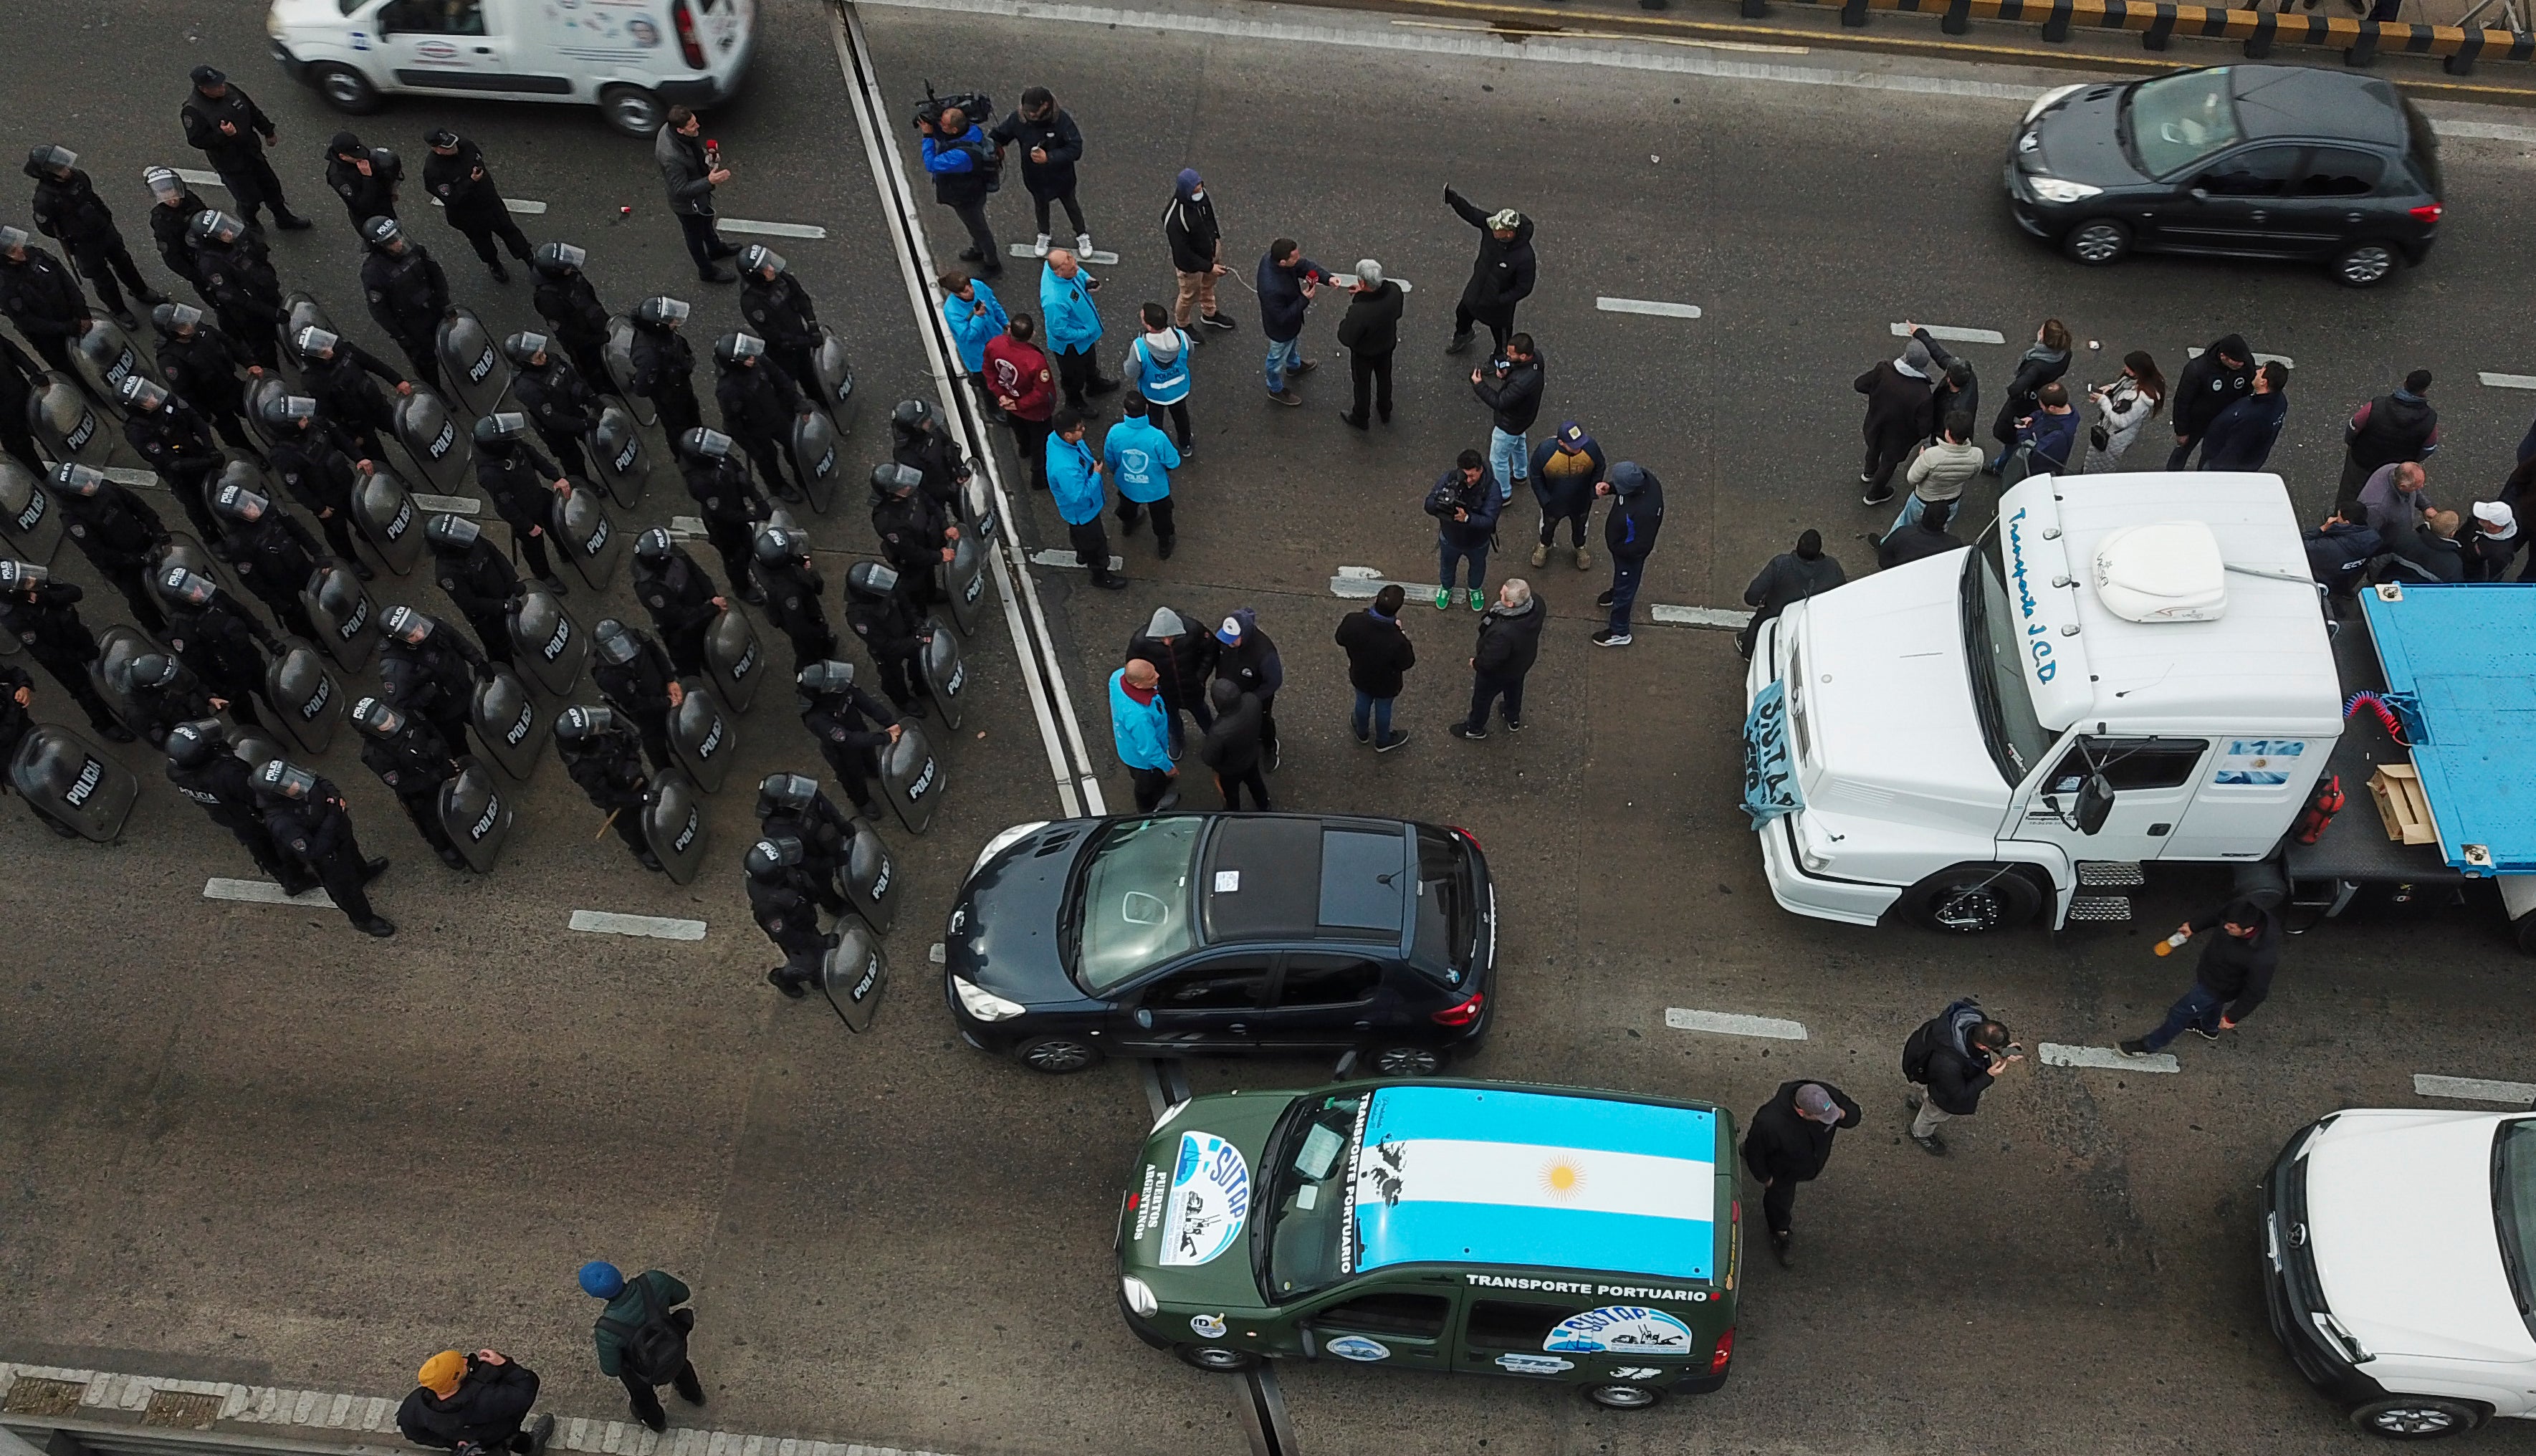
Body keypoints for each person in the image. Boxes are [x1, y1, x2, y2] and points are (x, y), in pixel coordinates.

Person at [165, 719, 314, 894]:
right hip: (249, 816)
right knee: (275, 843)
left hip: (225, 814)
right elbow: (254, 795)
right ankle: (295, 880)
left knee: (259, 846)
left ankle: (282, 874)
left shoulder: (176, 771)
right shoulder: (227, 774)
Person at [256, 759, 396, 937]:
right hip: (329, 857)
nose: (295, 783)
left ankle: (362, 873)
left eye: (291, 777)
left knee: (354, 856)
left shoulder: (298, 783)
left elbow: (319, 780)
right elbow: (313, 851)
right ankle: (363, 920)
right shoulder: (282, 822)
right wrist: (333, 816)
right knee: (346, 891)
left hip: (341, 836)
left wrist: (334, 796)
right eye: (287, 784)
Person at [2121, 901, 2280, 1058]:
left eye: (2232, 927)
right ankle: (2209, 1028)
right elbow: (2218, 915)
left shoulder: (2262, 957)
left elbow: (2257, 991)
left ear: (2249, 929)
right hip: (2212, 972)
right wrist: (2193, 926)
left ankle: (2149, 1045)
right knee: (2213, 1004)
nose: (2225, 927)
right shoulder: (2240, 912)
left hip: (2218, 987)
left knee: (2179, 1013)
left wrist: (2233, 1017)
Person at [25, 145, 162, 328]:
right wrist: (72, 233)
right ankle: (118, 310)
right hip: (84, 244)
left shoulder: (77, 176)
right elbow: (46, 227)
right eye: (59, 168)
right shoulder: (44, 199)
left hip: (104, 230)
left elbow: (92, 197)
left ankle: (140, 291)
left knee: (124, 261)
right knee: (103, 279)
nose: (66, 169)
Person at [0, 560, 135, 740]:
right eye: (25, 581)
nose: (31, 579)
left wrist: (46, 598)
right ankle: (106, 725)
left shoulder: (37, 584)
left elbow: (75, 592)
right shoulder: (14, 619)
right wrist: (80, 656)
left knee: (105, 666)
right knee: (85, 691)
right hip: (60, 656)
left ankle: (126, 697)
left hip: (75, 633)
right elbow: (45, 654)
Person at [1741, 1081, 1862, 1268]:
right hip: (1783, 1172)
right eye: (1823, 1117)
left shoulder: (1820, 1094)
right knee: (1779, 1202)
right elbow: (1755, 1154)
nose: (1831, 1119)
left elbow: (1854, 1113)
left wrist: (1841, 1114)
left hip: (1809, 1162)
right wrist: (1766, 1179)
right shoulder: (1768, 1123)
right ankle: (1780, 1233)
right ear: (1801, 1112)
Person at [578, 1262, 705, 1436]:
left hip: (642, 1372)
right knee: (680, 1365)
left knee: (641, 1394)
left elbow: (611, 1369)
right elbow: (683, 1294)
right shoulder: (654, 1280)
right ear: (617, 1273)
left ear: (594, 1295)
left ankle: (657, 1423)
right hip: (671, 1345)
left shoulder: (606, 1330)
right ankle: (695, 1395)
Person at [178, 67, 311, 232]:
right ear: (203, 89)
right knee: (249, 199)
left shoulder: (230, 91)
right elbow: (197, 140)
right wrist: (223, 135)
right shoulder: (193, 110)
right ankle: (250, 220)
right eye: (216, 86)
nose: (222, 87)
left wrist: (268, 131)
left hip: (252, 152)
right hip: (231, 163)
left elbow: (252, 110)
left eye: (221, 83)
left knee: (271, 187)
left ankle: (283, 218)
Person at [350, 696, 469, 871]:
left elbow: (433, 731)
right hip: (421, 792)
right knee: (432, 823)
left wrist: (445, 756)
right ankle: (443, 848)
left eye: (385, 713)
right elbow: (403, 784)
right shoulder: (375, 755)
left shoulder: (407, 715)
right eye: (380, 721)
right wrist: (437, 776)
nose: (389, 720)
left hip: (441, 767)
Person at [50, 462, 171, 631]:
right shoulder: (73, 520)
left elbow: (137, 505)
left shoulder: (104, 488)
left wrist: (157, 530)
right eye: (81, 484)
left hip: (142, 540)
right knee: (140, 600)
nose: (88, 484)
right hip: (123, 565)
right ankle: (158, 630)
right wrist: (139, 560)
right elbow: (100, 554)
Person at [157, 567, 277, 732]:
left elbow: (242, 613)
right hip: (229, 678)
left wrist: (267, 639)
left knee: (270, 694)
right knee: (248, 720)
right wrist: (219, 690)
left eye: (194, 584)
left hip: (249, 658)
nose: (198, 590)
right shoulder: (181, 629)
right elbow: (197, 668)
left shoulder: (213, 596)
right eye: (189, 591)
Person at [207, 479, 324, 642]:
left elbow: (297, 530)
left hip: (300, 565)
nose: (252, 506)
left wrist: (319, 554)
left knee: (324, 595)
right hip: (280, 585)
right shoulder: (238, 544)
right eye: (245, 507)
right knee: (298, 617)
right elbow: (250, 580)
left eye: (248, 501)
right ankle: (313, 641)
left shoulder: (268, 510)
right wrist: (276, 602)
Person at [472, 413, 573, 595]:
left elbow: (533, 455)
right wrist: (527, 525)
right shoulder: (489, 474)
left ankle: (564, 550)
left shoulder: (510, 443)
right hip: (524, 513)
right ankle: (544, 575)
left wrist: (555, 476)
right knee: (535, 548)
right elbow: (504, 506)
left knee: (557, 525)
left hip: (538, 495)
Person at [1901, 999, 2019, 1156]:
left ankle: (1920, 1101)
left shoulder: (1975, 1021)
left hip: (1941, 1081)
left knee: (1933, 1095)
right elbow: (1958, 1095)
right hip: (1944, 1093)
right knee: (1933, 1114)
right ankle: (1919, 1133)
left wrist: (2004, 1049)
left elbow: (1988, 1038)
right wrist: (1988, 1075)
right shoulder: (1948, 1064)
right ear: (1983, 1047)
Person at [555, 707, 662, 871]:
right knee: (631, 827)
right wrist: (641, 798)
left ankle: (659, 825)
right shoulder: (585, 770)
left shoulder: (596, 737)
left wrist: (626, 730)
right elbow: (608, 797)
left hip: (631, 775)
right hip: (621, 800)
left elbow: (611, 718)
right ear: (583, 741)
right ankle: (641, 850)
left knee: (654, 805)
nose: (596, 726)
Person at [125, 371, 227, 540]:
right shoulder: (137, 432)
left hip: (197, 451)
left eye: (149, 392)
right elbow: (173, 464)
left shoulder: (165, 400)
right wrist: (208, 462)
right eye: (144, 399)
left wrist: (210, 448)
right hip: (181, 475)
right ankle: (212, 539)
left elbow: (195, 419)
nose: (152, 398)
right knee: (197, 507)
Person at [712, 331, 813, 502]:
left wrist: (798, 401)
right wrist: (752, 449)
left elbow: (780, 378)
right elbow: (732, 424)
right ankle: (777, 486)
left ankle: (802, 474)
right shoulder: (728, 390)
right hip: (755, 429)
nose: (752, 358)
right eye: (747, 358)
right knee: (767, 458)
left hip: (775, 414)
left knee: (794, 443)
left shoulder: (757, 361)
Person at [422, 130, 532, 282]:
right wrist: (471, 181)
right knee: (482, 243)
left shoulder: (465, 145)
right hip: (469, 216)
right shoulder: (434, 170)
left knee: (510, 231)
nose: (454, 148)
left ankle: (529, 259)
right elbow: (452, 198)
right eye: (448, 147)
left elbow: (479, 157)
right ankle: (494, 264)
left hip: (490, 203)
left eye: (453, 143)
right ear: (436, 149)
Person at [991, 87, 1089, 257]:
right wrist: (990, 147)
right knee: (1041, 206)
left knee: (1071, 206)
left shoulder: (1062, 121)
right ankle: (1044, 234)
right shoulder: (1018, 119)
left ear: (1045, 105)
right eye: (1027, 110)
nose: (1030, 114)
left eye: (1033, 111)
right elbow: (1000, 135)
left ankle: (1082, 235)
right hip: (1034, 177)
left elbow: (1075, 148)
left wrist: (1049, 157)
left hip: (1062, 178)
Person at [798, 657, 905, 813]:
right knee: (853, 776)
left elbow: (866, 702)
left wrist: (889, 722)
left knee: (869, 754)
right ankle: (862, 802)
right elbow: (847, 740)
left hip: (859, 729)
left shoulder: (838, 686)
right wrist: (884, 738)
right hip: (841, 750)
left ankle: (873, 770)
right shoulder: (816, 718)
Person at [396, 1350, 550, 1456]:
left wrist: (452, 1443)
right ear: (455, 1381)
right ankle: (531, 1447)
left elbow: (413, 1433)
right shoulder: (487, 1398)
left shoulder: (413, 1407)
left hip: (474, 1444)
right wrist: (505, 1365)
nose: (465, 1361)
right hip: (500, 1432)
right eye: (461, 1364)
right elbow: (526, 1389)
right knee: (516, 1441)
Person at [379, 605, 485, 759]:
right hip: (444, 713)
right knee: (459, 749)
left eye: (418, 627)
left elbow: (455, 638)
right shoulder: (396, 667)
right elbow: (401, 707)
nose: (420, 634)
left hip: (465, 688)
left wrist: (478, 661)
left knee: (488, 722)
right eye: (412, 635)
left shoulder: (426, 623)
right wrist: (425, 695)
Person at [295, 323, 410, 464]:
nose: (329, 350)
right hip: (358, 424)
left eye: (325, 344)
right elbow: (329, 415)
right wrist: (352, 437)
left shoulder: (342, 349)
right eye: (321, 351)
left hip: (377, 404)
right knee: (378, 461)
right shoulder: (312, 381)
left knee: (404, 432)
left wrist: (397, 380)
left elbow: (371, 362)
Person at [356, 216, 449, 391]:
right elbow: (379, 311)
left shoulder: (414, 249)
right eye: (391, 241)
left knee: (449, 342)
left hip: (433, 307)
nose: (399, 242)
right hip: (412, 324)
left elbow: (436, 273)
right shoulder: (373, 273)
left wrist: (445, 302)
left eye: (397, 236)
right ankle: (435, 391)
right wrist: (401, 336)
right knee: (426, 362)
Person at [153, 302, 259, 451]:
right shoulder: (169, 360)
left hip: (231, 384)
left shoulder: (198, 328)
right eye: (181, 327)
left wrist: (250, 363)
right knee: (234, 435)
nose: (189, 326)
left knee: (257, 410)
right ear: (172, 333)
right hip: (214, 404)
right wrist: (207, 416)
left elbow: (227, 341)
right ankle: (251, 454)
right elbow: (185, 394)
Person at [185, 209, 283, 370]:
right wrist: (270, 312)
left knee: (286, 332)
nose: (229, 232)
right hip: (252, 313)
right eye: (221, 232)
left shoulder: (232, 240)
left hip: (266, 293)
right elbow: (233, 297)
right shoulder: (210, 264)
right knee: (265, 351)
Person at [1442, 187, 1533, 355]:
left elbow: (1524, 287)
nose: (1493, 230)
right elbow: (1471, 213)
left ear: (1509, 233)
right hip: (1476, 291)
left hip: (1499, 308)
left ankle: (1500, 360)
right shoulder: (1492, 228)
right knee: (1462, 314)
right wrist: (1454, 200)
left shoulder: (1525, 257)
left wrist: (1500, 299)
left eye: (1497, 229)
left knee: (1502, 341)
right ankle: (1464, 335)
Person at [1451, 578, 1544, 741]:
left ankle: (1475, 728)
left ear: (1510, 605)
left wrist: (1476, 664)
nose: (1499, 594)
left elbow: (1490, 659)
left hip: (1498, 673)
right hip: (1521, 663)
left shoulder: (1503, 633)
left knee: (1482, 698)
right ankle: (1512, 716)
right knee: (1515, 688)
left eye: (1503, 595)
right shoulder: (1537, 604)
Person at [425, 514, 522, 665]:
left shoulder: (469, 540)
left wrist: (512, 581)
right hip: (488, 617)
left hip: (504, 593)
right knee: (500, 649)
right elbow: (470, 604)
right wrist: (502, 606)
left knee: (517, 629)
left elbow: (495, 555)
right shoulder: (447, 574)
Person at [656, 107, 737, 283]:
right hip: (687, 206)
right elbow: (681, 189)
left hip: (699, 196)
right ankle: (707, 271)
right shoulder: (672, 157)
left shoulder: (675, 131)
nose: (698, 126)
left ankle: (715, 249)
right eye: (692, 126)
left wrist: (707, 158)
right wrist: (709, 181)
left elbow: (693, 151)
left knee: (707, 221)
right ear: (680, 130)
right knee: (694, 237)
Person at [917, 102, 1000, 275]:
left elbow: (932, 164)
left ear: (954, 130)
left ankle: (992, 263)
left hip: (966, 196)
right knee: (973, 225)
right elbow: (947, 138)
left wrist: (928, 136)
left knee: (978, 228)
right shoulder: (971, 131)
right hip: (973, 189)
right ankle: (978, 249)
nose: (940, 125)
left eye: (943, 125)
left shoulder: (961, 156)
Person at [505, 331, 601, 480]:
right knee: (574, 460)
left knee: (599, 440)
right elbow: (553, 419)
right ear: (525, 363)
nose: (544, 357)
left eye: (542, 352)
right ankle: (583, 485)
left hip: (572, 408)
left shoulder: (550, 359)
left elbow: (574, 378)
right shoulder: (526, 388)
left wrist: (591, 398)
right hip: (556, 430)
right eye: (538, 357)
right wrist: (583, 424)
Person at [1855, 332, 1938, 505]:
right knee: (1888, 464)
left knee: (1873, 448)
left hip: (1876, 425)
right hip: (1898, 439)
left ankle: (1869, 472)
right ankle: (1874, 494)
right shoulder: (1923, 394)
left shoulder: (1883, 370)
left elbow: (1860, 384)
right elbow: (1924, 429)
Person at [1736, 529, 1844, 660]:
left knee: (1759, 624)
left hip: (1776, 614)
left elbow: (1752, 595)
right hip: (1812, 618)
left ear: (1797, 546)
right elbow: (1842, 595)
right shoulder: (1833, 567)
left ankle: (1749, 651)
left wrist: (1758, 602)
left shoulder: (1781, 564)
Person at [747, 835, 833, 998]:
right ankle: (782, 978)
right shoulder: (768, 907)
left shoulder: (772, 876)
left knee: (817, 956)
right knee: (806, 966)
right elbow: (788, 937)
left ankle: (817, 976)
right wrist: (820, 942)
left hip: (803, 920)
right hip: (795, 935)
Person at [592, 617, 684, 772]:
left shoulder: (636, 636)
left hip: (662, 687)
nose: (622, 651)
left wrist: (670, 680)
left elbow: (656, 653)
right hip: (646, 709)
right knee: (654, 740)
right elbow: (635, 704)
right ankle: (666, 770)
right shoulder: (607, 676)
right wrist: (666, 702)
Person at [1046, 409, 1124, 590]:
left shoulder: (1058, 441)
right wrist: (1096, 475)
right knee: (1096, 544)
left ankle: (1082, 553)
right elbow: (1079, 495)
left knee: (1078, 534)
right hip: (1083, 511)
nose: (1083, 430)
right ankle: (1100, 575)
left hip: (1077, 513)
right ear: (1067, 435)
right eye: (1079, 428)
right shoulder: (1065, 467)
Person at [633, 528, 726, 678]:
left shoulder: (672, 553)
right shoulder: (650, 590)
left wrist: (712, 595)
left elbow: (696, 572)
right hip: (681, 635)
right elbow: (679, 618)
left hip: (701, 612)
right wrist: (712, 609)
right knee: (689, 669)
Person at [1126, 606, 1218, 756]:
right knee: (1170, 718)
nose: (1167, 642)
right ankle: (1177, 738)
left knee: (1202, 712)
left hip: (1193, 687)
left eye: (1172, 636)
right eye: (1162, 638)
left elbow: (1211, 650)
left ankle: (1212, 734)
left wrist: (1200, 677)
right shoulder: (1140, 642)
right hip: (1164, 691)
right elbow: (1136, 669)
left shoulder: (1194, 630)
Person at [0, 225, 92, 375]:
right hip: (52, 341)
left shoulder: (36, 255)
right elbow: (28, 322)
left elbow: (66, 281)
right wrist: (66, 328)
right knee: (74, 373)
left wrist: (82, 312)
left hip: (75, 318)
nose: (20, 250)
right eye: (12, 251)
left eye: (17, 244)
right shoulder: (5, 287)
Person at [2340, 368, 2440, 504]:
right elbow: (2429, 448)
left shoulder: (2377, 405)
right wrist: (2410, 461)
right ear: (2424, 390)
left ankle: (2340, 515)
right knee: (2382, 499)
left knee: (2350, 493)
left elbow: (2353, 427)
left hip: (2362, 461)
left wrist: (2352, 445)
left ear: (2405, 382)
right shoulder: (2429, 419)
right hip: (2393, 470)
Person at [737, 246, 824, 402]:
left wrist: (812, 325)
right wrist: (808, 341)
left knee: (810, 376)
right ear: (756, 276)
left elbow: (801, 298)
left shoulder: (780, 277)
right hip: (783, 354)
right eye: (765, 268)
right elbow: (776, 336)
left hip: (800, 336)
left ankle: (818, 400)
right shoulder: (751, 302)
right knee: (786, 387)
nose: (772, 268)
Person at [1334, 583, 1415, 752]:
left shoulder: (1353, 621)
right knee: (1383, 708)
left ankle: (1362, 732)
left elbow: (1340, 639)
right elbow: (1407, 663)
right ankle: (1383, 740)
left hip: (1361, 675)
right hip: (1387, 683)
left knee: (1362, 702)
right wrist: (1400, 633)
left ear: (1376, 599)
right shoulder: (1397, 641)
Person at [1103, 393, 1184, 559]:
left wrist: (1119, 472)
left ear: (1125, 411)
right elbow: (1173, 462)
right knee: (1162, 517)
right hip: (1156, 488)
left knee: (1127, 505)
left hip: (1127, 484)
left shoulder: (1115, 432)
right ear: (1146, 408)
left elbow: (1110, 459)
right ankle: (1164, 545)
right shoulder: (1157, 437)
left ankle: (1128, 525)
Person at [1593, 461, 1665, 648]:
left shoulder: (1644, 512)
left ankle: (1620, 631)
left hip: (1628, 556)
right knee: (1622, 583)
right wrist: (1611, 488)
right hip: (1622, 548)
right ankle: (1617, 591)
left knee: (1626, 590)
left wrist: (1619, 550)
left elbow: (1641, 546)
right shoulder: (1645, 479)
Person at [983, 313, 1056, 488]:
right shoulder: (1036, 361)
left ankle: (1024, 449)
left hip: (1009, 402)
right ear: (1032, 335)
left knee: (1019, 429)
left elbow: (988, 370)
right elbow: (1041, 392)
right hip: (1035, 411)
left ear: (1009, 330)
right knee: (1041, 445)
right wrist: (1019, 404)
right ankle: (1038, 478)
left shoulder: (995, 345)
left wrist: (1001, 395)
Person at [758, 772, 853, 905]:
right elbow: (801, 861)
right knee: (823, 887)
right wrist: (830, 862)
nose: (800, 797)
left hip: (830, 839)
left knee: (848, 861)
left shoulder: (801, 793)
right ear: (782, 807)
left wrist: (842, 824)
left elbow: (825, 804)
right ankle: (832, 905)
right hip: (815, 859)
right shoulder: (778, 831)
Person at [1988, 318, 2072, 469]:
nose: (2039, 331)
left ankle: (2000, 466)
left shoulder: (2036, 366)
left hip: (2025, 403)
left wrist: (2016, 391)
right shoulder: (2064, 354)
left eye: (2041, 331)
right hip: (2040, 396)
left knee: (2012, 436)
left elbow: (2015, 389)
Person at [867, 461, 954, 605]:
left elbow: (930, 504)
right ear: (891, 493)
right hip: (912, 560)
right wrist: (939, 556)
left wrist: (945, 526)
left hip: (927, 542)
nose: (908, 486)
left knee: (929, 574)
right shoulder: (888, 522)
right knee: (917, 589)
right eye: (902, 486)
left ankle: (931, 594)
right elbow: (911, 552)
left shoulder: (908, 490)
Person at [1470, 332, 1544, 501]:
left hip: (1509, 424)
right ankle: (1520, 474)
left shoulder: (1521, 383)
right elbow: (1517, 369)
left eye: (1511, 355)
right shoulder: (1536, 359)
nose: (1507, 357)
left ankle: (1503, 494)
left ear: (1523, 356)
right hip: (1524, 419)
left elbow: (1499, 402)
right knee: (1519, 444)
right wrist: (1508, 372)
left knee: (1498, 459)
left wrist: (1479, 385)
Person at [1426, 448, 1503, 612]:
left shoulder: (1492, 488)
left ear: (1480, 470)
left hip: (1477, 542)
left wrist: (1467, 518)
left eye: (1472, 476)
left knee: (1477, 567)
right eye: (1465, 474)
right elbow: (1429, 504)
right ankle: (1446, 587)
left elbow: (1490, 521)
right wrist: (1441, 503)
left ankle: (1475, 589)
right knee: (1447, 565)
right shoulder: (1449, 479)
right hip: (1450, 537)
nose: (1468, 480)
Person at [1255, 238, 1330, 406]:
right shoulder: (1272, 289)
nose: (1299, 259)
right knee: (1275, 359)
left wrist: (1328, 278)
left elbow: (1304, 266)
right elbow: (1282, 318)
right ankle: (1275, 389)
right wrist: (1304, 299)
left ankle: (1294, 366)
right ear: (1283, 262)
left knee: (1291, 345)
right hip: (1280, 331)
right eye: (1295, 258)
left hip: (1289, 327)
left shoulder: (1271, 259)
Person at [530, 242, 616, 390]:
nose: (570, 266)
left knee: (611, 355)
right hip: (583, 341)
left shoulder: (569, 271)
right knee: (593, 370)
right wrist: (596, 340)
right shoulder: (547, 299)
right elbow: (567, 333)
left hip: (597, 321)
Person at [1040, 248, 1115, 412]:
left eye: (1073, 262)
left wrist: (1086, 279)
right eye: (1072, 268)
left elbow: (1078, 271)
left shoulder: (1059, 268)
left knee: (1090, 363)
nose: (1076, 267)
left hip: (1084, 337)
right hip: (1071, 346)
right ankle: (1074, 401)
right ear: (1059, 272)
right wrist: (1085, 333)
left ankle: (1094, 385)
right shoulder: (1054, 300)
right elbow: (1059, 331)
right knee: (1074, 377)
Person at [1161, 169, 1233, 335]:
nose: (1200, 193)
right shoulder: (1174, 219)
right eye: (1195, 191)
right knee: (1188, 296)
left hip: (1210, 253)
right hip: (1191, 266)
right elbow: (1183, 254)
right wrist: (1209, 267)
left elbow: (1209, 218)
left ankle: (1209, 313)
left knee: (1208, 285)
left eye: (1200, 188)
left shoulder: (1201, 196)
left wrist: (1215, 239)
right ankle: (1182, 325)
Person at [1334, 260, 1403, 431]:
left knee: (1362, 385)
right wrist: (1363, 293)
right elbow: (1397, 312)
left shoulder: (1360, 311)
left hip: (1364, 354)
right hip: (1386, 346)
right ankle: (1385, 410)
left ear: (1363, 283)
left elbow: (1346, 337)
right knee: (1385, 378)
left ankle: (1361, 417)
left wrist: (1359, 298)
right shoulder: (1395, 292)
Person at [2166, 334, 2253, 469]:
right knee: (2182, 451)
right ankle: (2171, 475)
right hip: (2197, 422)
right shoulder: (2197, 369)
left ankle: (2203, 476)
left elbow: (2247, 391)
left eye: (2242, 361)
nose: (2241, 364)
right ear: (2223, 356)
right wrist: (2181, 431)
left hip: (2224, 422)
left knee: (2211, 456)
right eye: (2236, 361)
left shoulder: (2246, 364)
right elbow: (2182, 402)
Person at [1890, 411, 1983, 537]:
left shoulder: (1931, 455)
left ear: (1948, 433)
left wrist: (1921, 458)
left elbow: (1912, 479)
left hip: (1924, 500)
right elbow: (1973, 476)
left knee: (1904, 524)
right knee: (1938, 532)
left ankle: (1887, 543)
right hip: (1951, 501)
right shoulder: (1977, 455)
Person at [753, 526, 833, 674]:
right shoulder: (788, 592)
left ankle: (824, 645)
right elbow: (799, 628)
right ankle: (808, 672)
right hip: (796, 614)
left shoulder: (758, 562)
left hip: (775, 609)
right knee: (807, 647)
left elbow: (784, 559)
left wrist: (799, 561)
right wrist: (818, 633)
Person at [1526, 421, 1604, 568]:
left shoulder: (1590, 447)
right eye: (1574, 446)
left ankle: (1580, 546)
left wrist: (1593, 490)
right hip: (1554, 502)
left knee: (1581, 526)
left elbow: (1600, 466)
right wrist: (1544, 499)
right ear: (1561, 443)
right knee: (1548, 526)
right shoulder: (1545, 452)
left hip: (1581, 501)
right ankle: (1544, 544)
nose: (1579, 448)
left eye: (1581, 443)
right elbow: (1535, 475)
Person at [1212, 609, 1283, 771]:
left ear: (1243, 635)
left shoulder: (1265, 653)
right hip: (1230, 695)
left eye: (1232, 640)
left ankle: (1270, 745)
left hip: (1256, 699)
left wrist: (1252, 699)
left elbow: (1274, 682)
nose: (1227, 643)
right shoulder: (1226, 637)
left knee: (1263, 722)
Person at [631, 295, 702, 446]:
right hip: (669, 397)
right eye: (670, 320)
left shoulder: (663, 334)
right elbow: (642, 389)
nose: (675, 321)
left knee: (693, 414)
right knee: (678, 430)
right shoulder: (649, 355)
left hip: (681, 385)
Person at [1109, 658, 1177, 810]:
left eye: (1154, 671)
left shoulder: (1117, 677)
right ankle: (1148, 810)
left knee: (1150, 778)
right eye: (1151, 677)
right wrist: (1168, 767)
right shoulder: (1140, 717)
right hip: (1144, 762)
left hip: (1127, 747)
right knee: (1145, 788)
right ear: (1138, 685)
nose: (1158, 676)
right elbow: (1149, 750)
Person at [889, 398, 972, 523]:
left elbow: (947, 444)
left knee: (967, 512)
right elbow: (922, 487)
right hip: (936, 495)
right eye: (924, 420)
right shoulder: (905, 456)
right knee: (938, 522)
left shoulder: (929, 429)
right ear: (914, 429)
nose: (929, 420)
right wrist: (949, 489)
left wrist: (959, 467)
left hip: (951, 477)